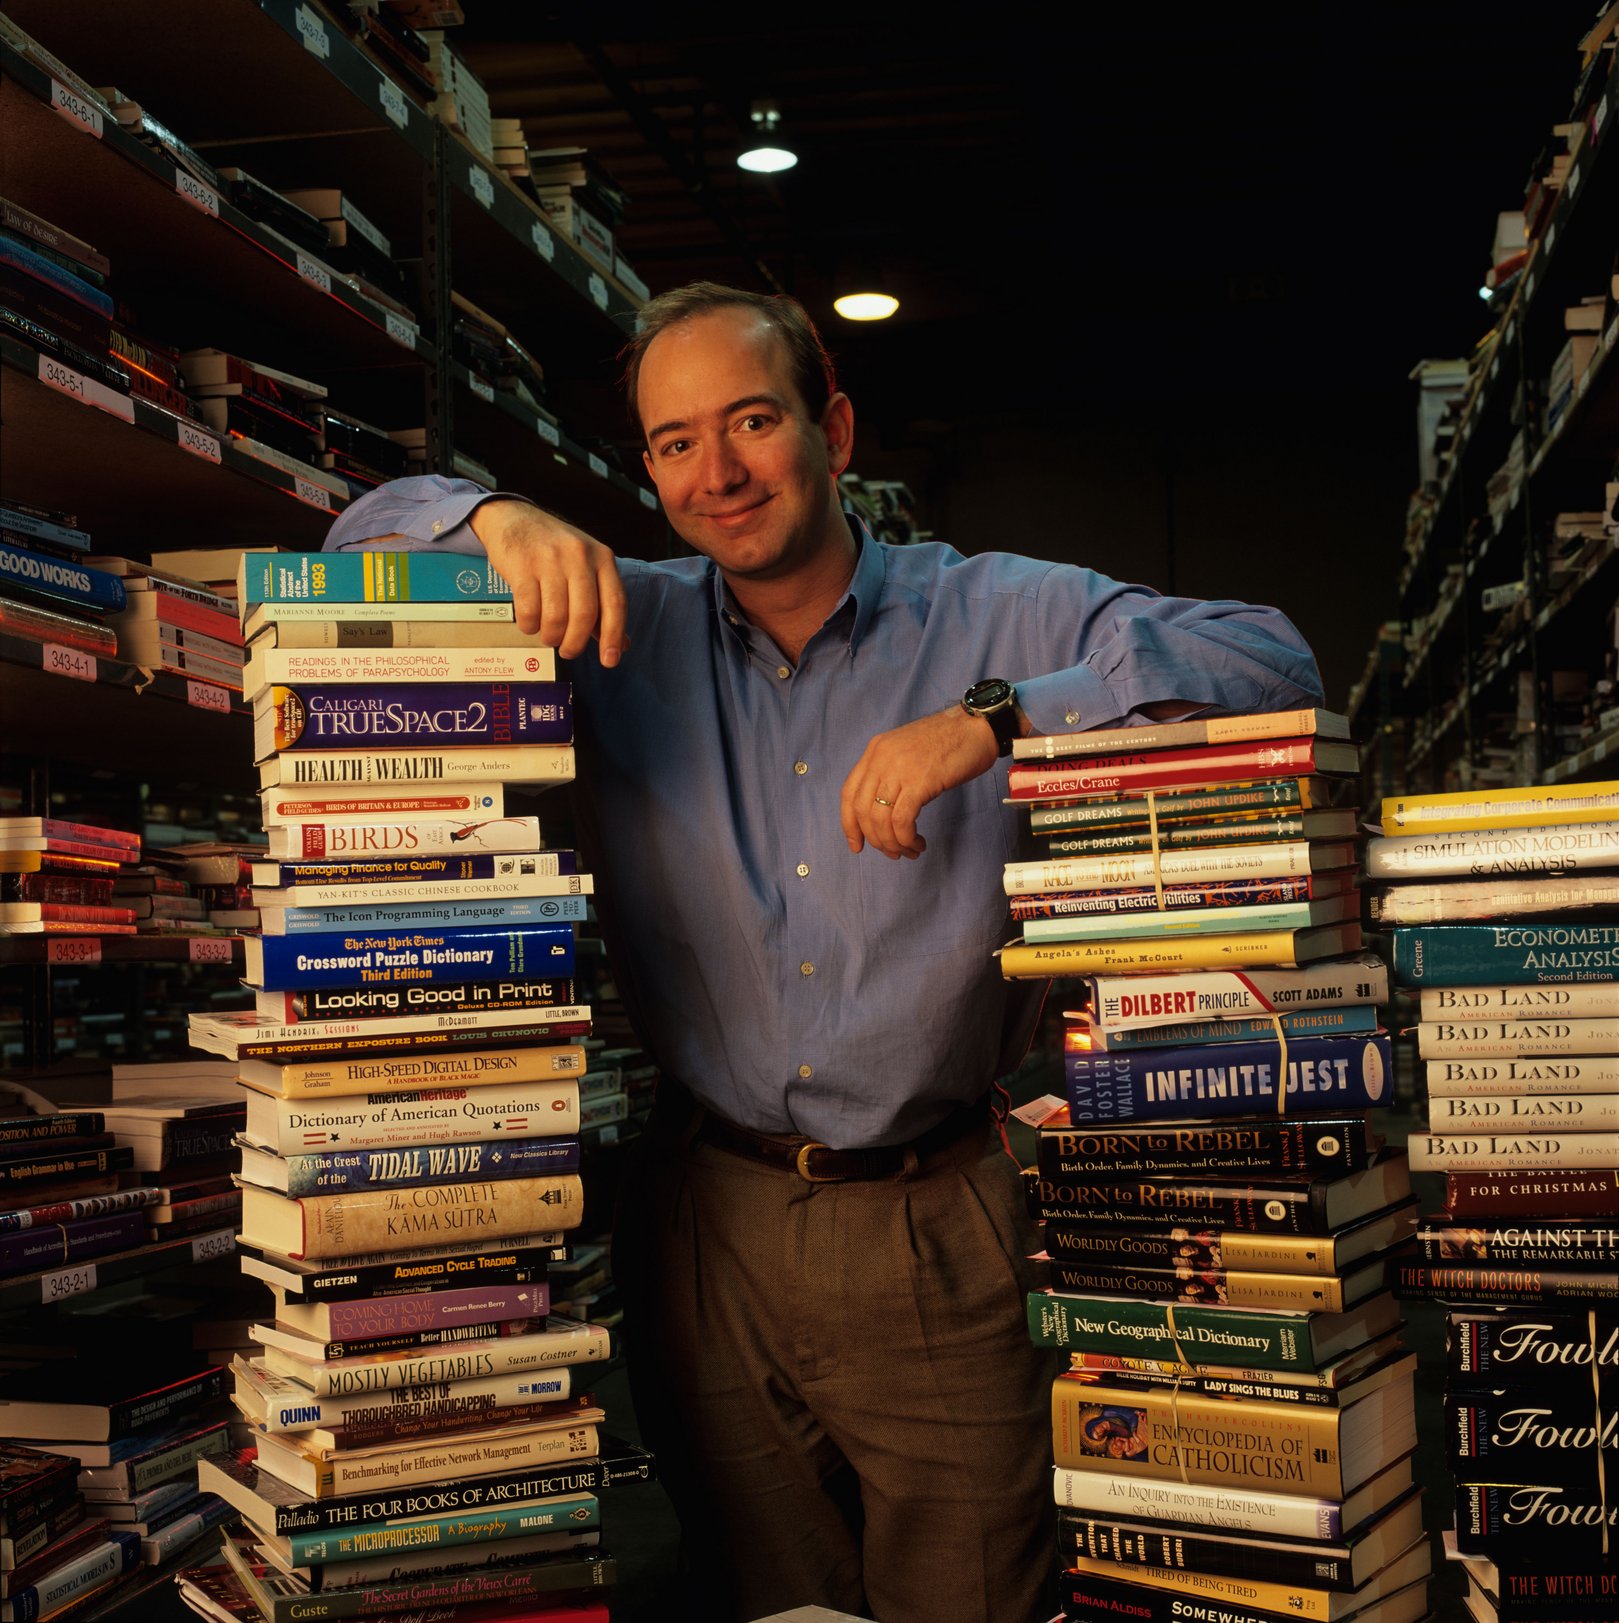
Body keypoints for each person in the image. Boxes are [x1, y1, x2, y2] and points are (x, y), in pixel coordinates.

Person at [323, 281, 1323, 1622]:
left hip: (937, 1219)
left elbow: (1271, 655)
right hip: (701, 1225)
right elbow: (353, 541)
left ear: (835, 431)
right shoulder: (626, 626)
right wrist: (485, 514)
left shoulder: (995, 615)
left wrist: (998, 718)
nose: (718, 473)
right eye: (675, 442)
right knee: (765, 1598)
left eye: (752, 421)